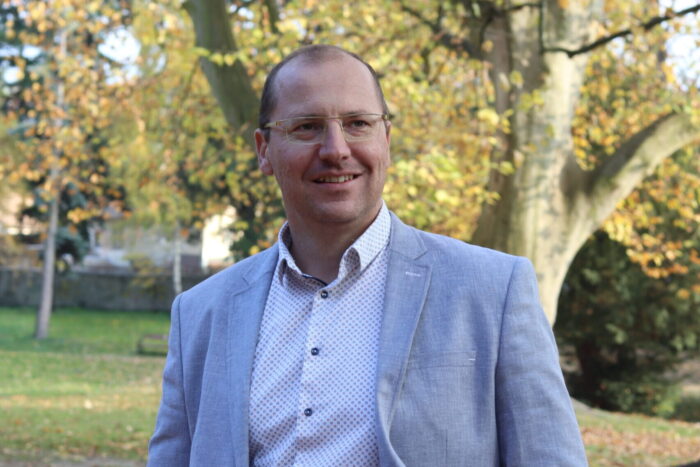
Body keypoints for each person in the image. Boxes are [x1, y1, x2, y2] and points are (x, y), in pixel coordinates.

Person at [148, 44, 588, 466]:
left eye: (358, 123)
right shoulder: (201, 314)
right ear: (264, 151)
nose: (336, 150)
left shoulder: (493, 291)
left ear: (386, 139)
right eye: (307, 127)